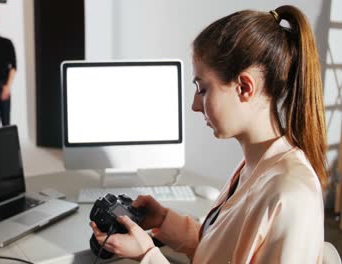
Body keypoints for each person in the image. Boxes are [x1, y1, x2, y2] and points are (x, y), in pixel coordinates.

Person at [90, 5, 327, 263]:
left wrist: (149, 255)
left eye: (202, 89)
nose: (194, 105)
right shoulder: (254, 168)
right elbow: (219, 252)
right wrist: (163, 220)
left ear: (244, 87)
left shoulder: (291, 193)